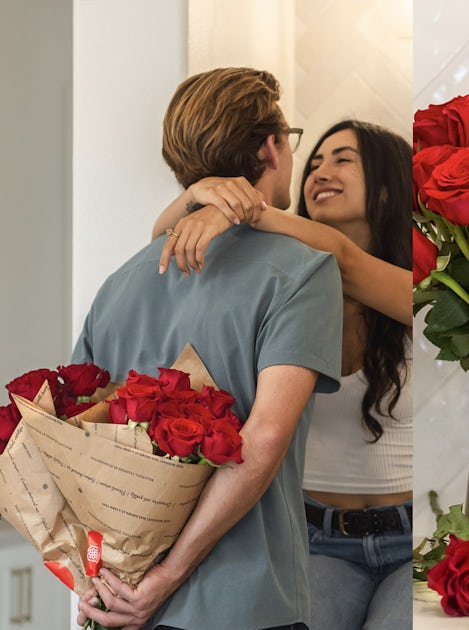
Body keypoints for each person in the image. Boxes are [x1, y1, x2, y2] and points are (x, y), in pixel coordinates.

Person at [74, 67, 342, 630]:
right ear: (271, 146)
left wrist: (96, 576)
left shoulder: (121, 282)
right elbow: (264, 437)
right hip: (245, 606)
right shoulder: (301, 272)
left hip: (122, 605)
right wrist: (168, 578)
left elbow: (74, 442)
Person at [150, 120, 414, 629]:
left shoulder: (419, 286)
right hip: (314, 537)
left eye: (342, 159)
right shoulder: (284, 276)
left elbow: (345, 259)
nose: (321, 170)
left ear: (386, 185)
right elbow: (158, 242)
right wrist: (200, 197)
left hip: (412, 542)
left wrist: (239, 206)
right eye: (314, 160)